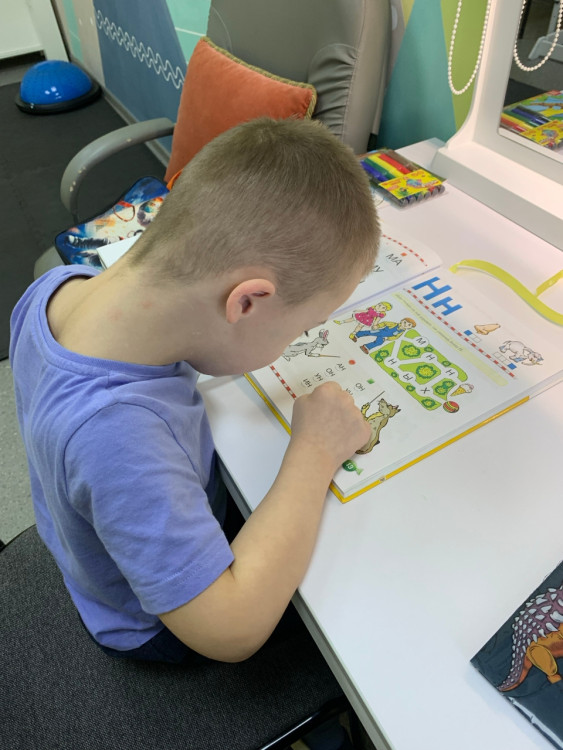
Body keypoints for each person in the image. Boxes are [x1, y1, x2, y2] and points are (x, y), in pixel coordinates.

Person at [10, 117, 380, 748]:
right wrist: (314, 451)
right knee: (356, 612)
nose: (298, 342)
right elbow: (231, 631)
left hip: (105, 548)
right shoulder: (116, 436)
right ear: (246, 302)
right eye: (301, 329)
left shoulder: (60, 288)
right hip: (153, 626)